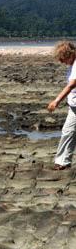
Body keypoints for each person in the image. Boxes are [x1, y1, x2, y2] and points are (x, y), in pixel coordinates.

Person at [47, 41, 76, 170]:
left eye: (62, 59)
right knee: (68, 132)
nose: (61, 62)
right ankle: (63, 162)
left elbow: (72, 85)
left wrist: (57, 100)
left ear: (69, 54)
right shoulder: (72, 65)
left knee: (68, 132)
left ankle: (63, 162)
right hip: (74, 106)